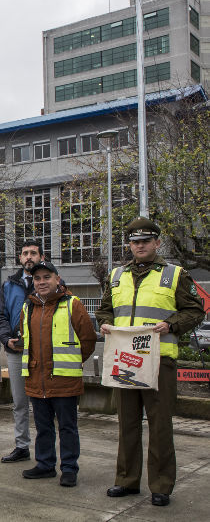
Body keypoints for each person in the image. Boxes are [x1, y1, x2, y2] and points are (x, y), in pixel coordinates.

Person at [96, 217, 204, 507]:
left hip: (159, 363)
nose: (140, 245)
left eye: (146, 241)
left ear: (157, 243)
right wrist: (105, 324)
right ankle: (127, 481)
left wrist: (171, 325)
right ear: (129, 245)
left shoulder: (174, 274)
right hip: (125, 361)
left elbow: (196, 310)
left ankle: (161, 485)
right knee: (127, 424)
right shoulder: (117, 275)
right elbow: (104, 310)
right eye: (135, 241)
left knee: (160, 426)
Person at [17, 261, 96, 487]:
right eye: (37, 278)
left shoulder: (73, 304)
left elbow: (88, 340)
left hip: (64, 380)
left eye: (46, 277)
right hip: (36, 379)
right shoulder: (28, 307)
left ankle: (69, 468)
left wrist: (71, 362)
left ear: (57, 279)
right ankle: (45, 465)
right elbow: (25, 338)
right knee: (43, 427)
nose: (41, 282)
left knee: (67, 427)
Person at [0, 241, 45, 464]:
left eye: (33, 253)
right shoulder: (9, 285)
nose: (29, 257)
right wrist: (6, 338)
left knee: (43, 403)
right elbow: (0, 317)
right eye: (25, 253)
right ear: (20, 258)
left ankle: (46, 451)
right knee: (20, 402)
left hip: (42, 352)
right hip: (16, 351)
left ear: (41, 256)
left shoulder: (49, 281)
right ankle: (21, 445)